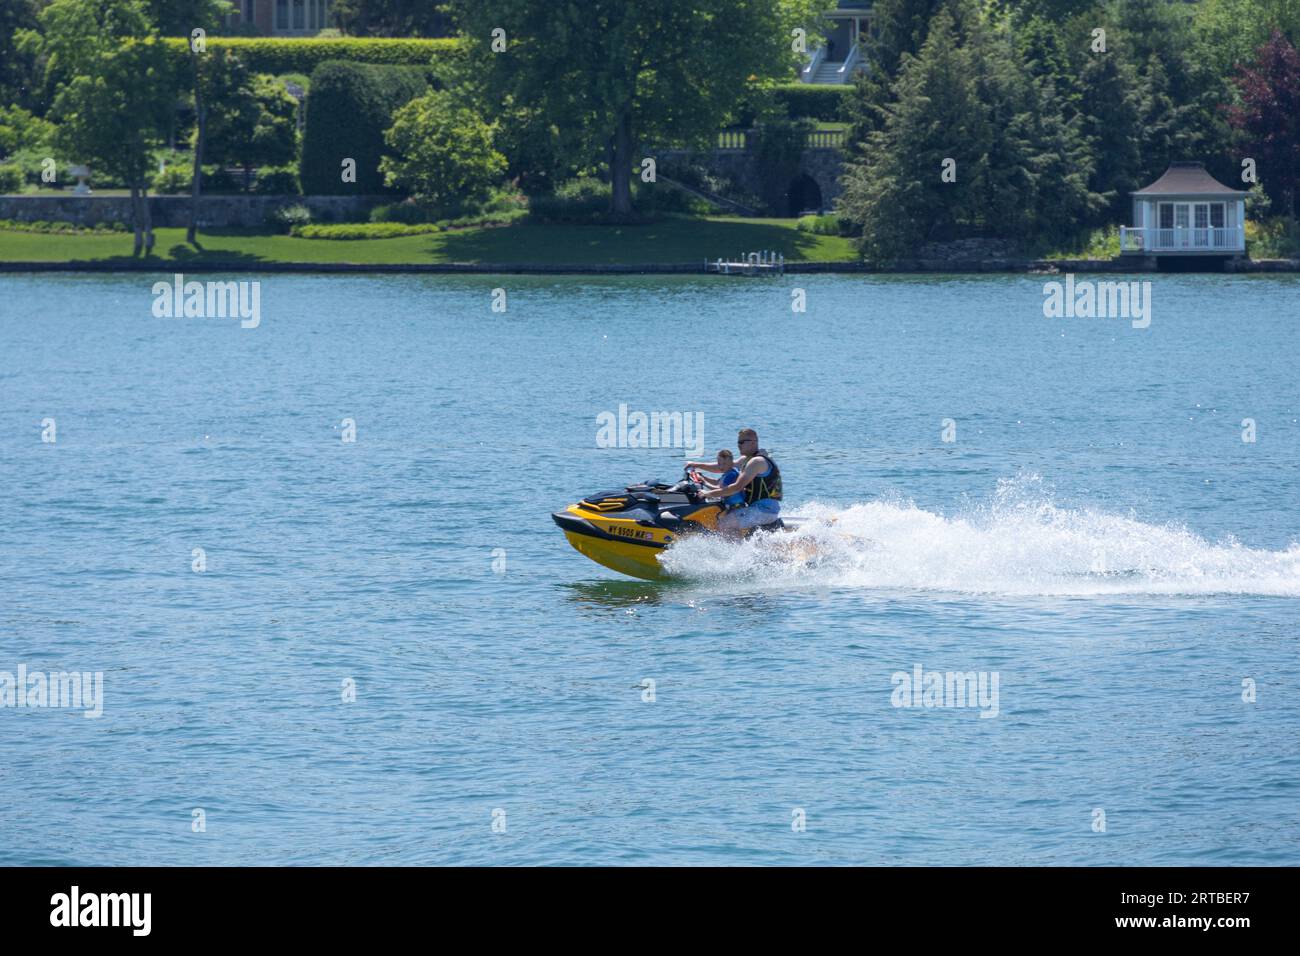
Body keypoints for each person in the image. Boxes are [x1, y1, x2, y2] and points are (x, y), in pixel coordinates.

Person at [696, 428, 782, 535]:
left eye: (742, 442)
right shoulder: (747, 459)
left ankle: (736, 551)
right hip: (758, 508)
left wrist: (707, 493)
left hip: (764, 510)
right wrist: (696, 465)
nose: (738, 445)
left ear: (753, 443)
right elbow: (724, 466)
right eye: (738, 442)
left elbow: (736, 487)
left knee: (725, 523)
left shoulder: (757, 461)